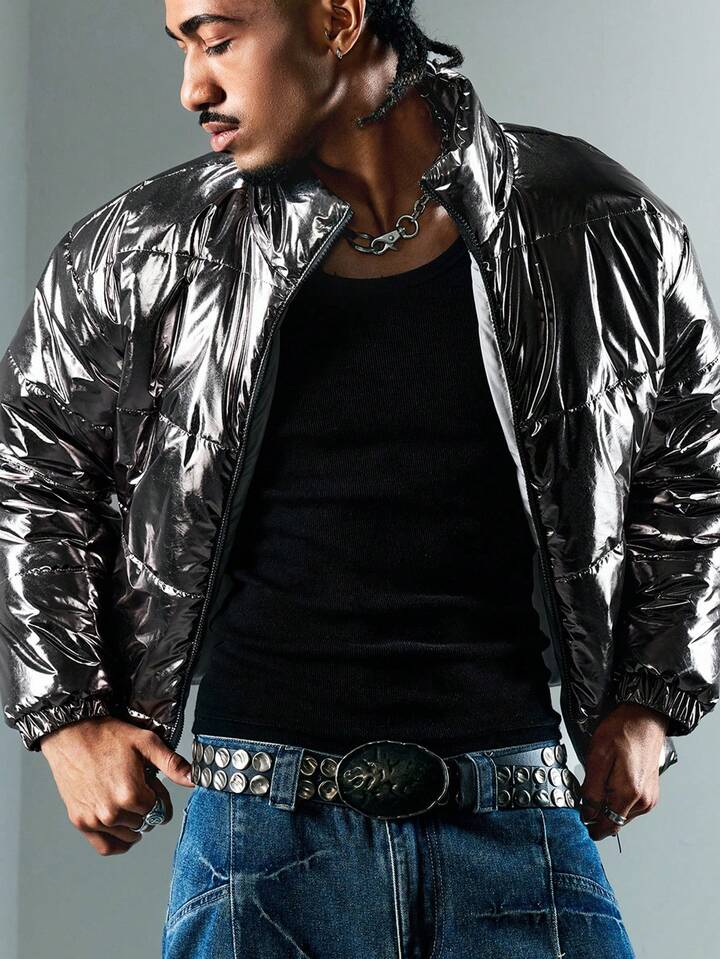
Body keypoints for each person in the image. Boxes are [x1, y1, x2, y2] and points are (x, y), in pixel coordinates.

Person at [0, 1, 717, 956]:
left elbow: (691, 469)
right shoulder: (145, 246)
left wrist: (649, 698)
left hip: (518, 818)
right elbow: (33, 465)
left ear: (339, 18)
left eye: (218, 40)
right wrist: (68, 717)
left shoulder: (597, 225)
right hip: (258, 831)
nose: (193, 88)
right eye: (183, 48)